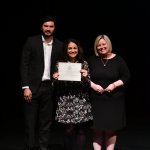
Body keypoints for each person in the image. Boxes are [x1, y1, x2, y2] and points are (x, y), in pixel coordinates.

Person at [20, 15, 64, 150]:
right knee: (30, 123)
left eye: (51, 26)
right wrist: (25, 87)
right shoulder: (31, 41)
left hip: (49, 88)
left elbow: (60, 64)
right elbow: (24, 64)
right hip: (32, 89)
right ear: (41, 27)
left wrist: (58, 74)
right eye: (46, 26)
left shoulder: (60, 45)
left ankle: (43, 148)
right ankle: (30, 147)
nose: (48, 29)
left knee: (46, 123)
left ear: (54, 28)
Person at [88, 34, 130, 150]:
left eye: (103, 44)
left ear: (108, 44)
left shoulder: (118, 59)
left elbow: (126, 76)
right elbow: (85, 77)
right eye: (99, 45)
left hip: (114, 100)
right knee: (97, 129)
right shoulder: (92, 60)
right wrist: (94, 85)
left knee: (111, 130)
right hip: (97, 100)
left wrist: (114, 85)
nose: (101, 47)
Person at [52, 38, 93, 150]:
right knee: (68, 130)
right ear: (66, 50)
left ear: (78, 49)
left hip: (81, 100)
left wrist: (85, 77)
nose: (72, 50)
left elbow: (87, 85)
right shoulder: (60, 64)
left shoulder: (84, 64)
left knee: (80, 130)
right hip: (66, 100)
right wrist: (55, 79)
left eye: (74, 48)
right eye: (70, 48)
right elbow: (56, 86)